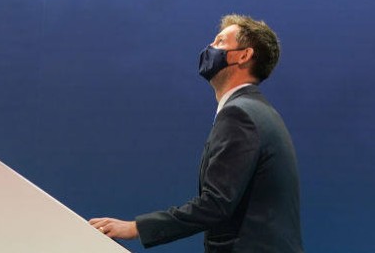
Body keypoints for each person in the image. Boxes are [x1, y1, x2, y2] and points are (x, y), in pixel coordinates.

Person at [89, 14, 304, 252]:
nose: (210, 48)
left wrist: (136, 228)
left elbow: (215, 204)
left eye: (220, 42)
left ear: (244, 55)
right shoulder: (258, 111)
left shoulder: (240, 115)